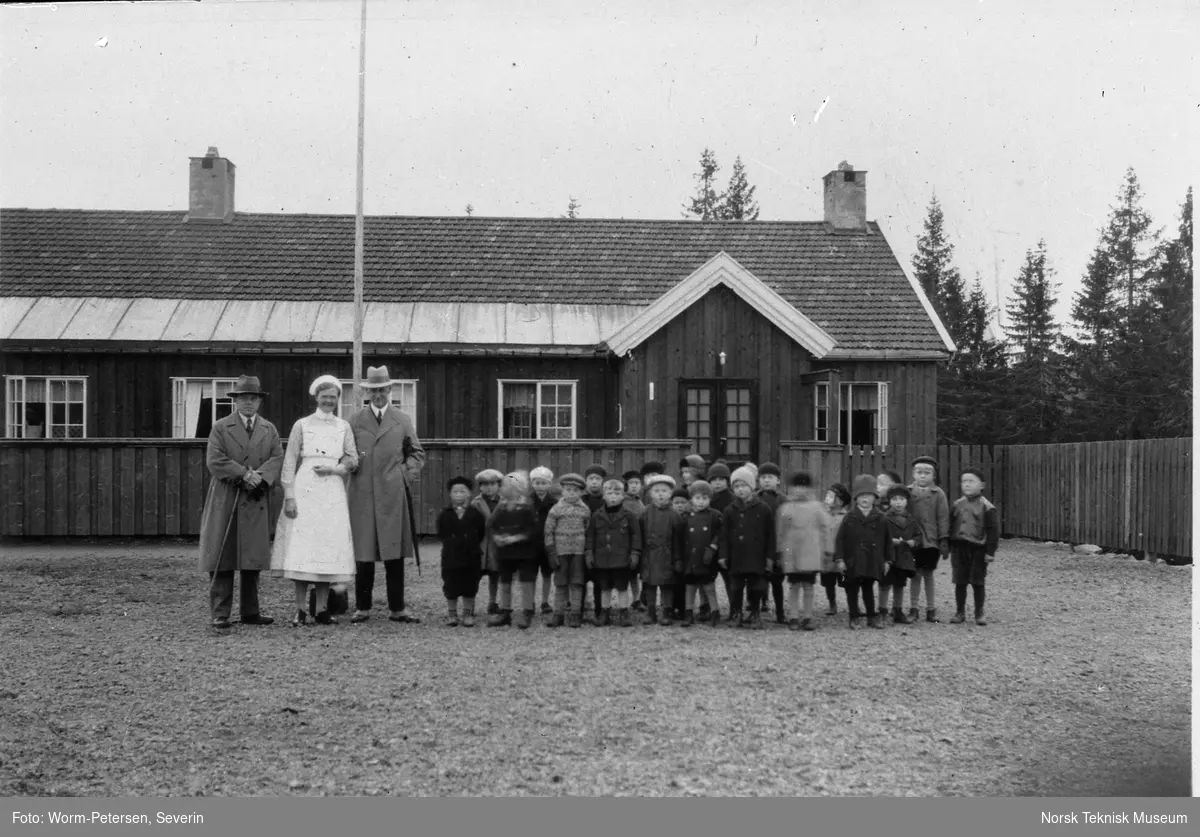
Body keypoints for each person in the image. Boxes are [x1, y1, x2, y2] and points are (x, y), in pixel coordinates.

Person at [197, 374, 283, 630]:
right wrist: (244, 474)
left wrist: (260, 477)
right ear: (236, 401)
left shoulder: (269, 429)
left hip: (255, 498)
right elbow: (215, 460)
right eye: (244, 398)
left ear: (259, 402)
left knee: (252, 555)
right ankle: (220, 612)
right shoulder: (220, 427)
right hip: (227, 497)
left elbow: (277, 457)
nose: (249, 403)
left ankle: (250, 611)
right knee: (223, 553)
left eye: (253, 398)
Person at [270, 375, 357, 627]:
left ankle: (321, 609)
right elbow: (289, 461)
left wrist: (335, 470)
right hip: (306, 487)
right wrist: (289, 496)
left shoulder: (343, 426)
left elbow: (352, 459)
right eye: (324, 396)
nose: (329, 401)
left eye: (333, 397)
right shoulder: (302, 425)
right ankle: (299, 610)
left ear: (338, 399)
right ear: (316, 398)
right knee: (303, 549)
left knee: (326, 548)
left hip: (332, 490)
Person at [347, 366, 426, 625]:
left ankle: (397, 608)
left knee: (394, 550)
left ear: (390, 390)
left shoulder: (402, 419)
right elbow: (344, 452)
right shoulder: (355, 420)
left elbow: (417, 453)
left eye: (382, 389)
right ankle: (362, 607)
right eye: (373, 390)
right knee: (364, 549)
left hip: (393, 493)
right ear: (367, 392)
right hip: (362, 493)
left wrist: (403, 474)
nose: (378, 394)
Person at [718, 466, 776, 629]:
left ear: (751, 486)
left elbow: (770, 535)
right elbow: (724, 535)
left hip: (756, 555)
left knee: (756, 586)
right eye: (736, 486)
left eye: (743, 485)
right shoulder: (730, 510)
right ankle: (736, 612)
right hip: (736, 555)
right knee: (735, 586)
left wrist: (770, 557)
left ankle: (755, 613)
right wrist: (723, 555)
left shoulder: (764, 509)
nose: (740, 490)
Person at [776, 471, 834, 631]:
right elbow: (781, 532)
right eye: (796, 486)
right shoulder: (786, 508)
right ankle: (793, 616)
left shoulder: (817, 508)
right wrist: (780, 552)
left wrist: (828, 551)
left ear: (810, 489)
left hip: (811, 554)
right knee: (794, 586)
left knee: (808, 586)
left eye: (803, 487)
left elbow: (826, 529)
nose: (799, 490)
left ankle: (808, 616)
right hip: (792, 554)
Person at [834, 475, 893, 629]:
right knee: (852, 589)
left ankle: (871, 616)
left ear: (875, 498)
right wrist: (839, 559)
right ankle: (854, 617)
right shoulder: (849, 518)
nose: (865, 499)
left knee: (868, 588)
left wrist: (888, 560)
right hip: (853, 560)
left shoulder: (881, 518)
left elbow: (888, 541)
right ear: (856, 498)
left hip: (872, 560)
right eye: (861, 495)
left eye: (868, 495)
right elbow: (839, 539)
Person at [486, 471, 542, 629]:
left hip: (525, 554)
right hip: (505, 553)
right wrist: (497, 537)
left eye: (506, 486)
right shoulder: (502, 507)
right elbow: (492, 525)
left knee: (526, 582)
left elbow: (533, 531)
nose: (503, 488)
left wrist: (516, 538)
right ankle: (505, 612)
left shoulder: (527, 508)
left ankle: (527, 611)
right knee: (505, 582)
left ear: (517, 488)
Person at [584, 478, 642, 627]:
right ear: (604, 495)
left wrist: (635, 553)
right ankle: (605, 612)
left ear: (623, 496)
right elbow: (590, 535)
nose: (613, 496)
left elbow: (636, 535)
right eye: (609, 493)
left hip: (622, 559)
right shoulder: (597, 515)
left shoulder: (629, 516)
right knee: (605, 587)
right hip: (602, 560)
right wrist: (589, 553)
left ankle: (624, 612)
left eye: (617, 493)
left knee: (622, 587)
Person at [948, 468, 1000, 626]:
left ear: (982, 485)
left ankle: (979, 612)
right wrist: (948, 545)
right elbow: (950, 526)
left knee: (978, 581)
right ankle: (960, 612)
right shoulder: (957, 505)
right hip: (959, 548)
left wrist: (990, 551)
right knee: (960, 581)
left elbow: (993, 531)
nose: (967, 484)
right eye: (964, 481)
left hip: (978, 548)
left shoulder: (987, 507)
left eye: (971, 481)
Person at [436, 476, 488, 627]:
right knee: (451, 583)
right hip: (451, 555)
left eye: (462, 491)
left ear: (469, 494)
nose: (458, 494)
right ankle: (452, 613)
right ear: (450, 494)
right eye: (455, 492)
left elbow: (480, 532)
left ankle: (467, 612)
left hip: (471, 555)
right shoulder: (445, 514)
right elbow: (442, 533)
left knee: (470, 584)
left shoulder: (475, 514)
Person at [543, 473, 592, 628]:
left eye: (575, 490)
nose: (571, 493)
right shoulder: (556, 509)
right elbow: (548, 531)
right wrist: (551, 551)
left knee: (577, 583)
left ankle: (576, 614)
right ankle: (558, 614)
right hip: (560, 552)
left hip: (578, 553)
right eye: (568, 489)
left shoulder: (585, 510)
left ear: (581, 492)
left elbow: (588, 529)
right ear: (562, 491)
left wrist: (586, 551)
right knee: (560, 583)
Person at [908, 456, 950, 623]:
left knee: (929, 575)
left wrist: (944, 539)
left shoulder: (938, 494)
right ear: (913, 474)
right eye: (919, 472)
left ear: (933, 475)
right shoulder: (908, 492)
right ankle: (914, 608)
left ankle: (931, 609)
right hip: (914, 541)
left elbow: (943, 518)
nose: (923, 476)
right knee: (916, 574)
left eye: (927, 473)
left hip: (932, 541)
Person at [640, 473, 685, 626]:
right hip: (650, 555)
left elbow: (679, 540)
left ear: (670, 493)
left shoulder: (674, 515)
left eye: (664, 491)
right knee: (650, 585)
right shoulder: (645, 512)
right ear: (650, 494)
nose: (660, 494)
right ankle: (651, 612)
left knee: (667, 586)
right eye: (656, 491)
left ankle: (666, 611)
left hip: (667, 555)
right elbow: (640, 534)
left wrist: (678, 559)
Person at [681, 480, 722, 627]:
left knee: (709, 586)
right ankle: (688, 614)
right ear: (691, 498)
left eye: (704, 498)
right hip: (690, 559)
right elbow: (682, 538)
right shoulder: (686, 517)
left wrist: (713, 547)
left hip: (706, 558)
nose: (701, 502)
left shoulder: (715, 515)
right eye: (697, 498)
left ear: (710, 499)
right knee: (690, 587)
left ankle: (715, 613)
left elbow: (720, 533)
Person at [880, 485, 920, 625]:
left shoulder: (911, 520)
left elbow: (918, 535)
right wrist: (890, 541)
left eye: (901, 499)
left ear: (906, 501)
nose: (898, 502)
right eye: (894, 499)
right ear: (889, 501)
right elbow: (878, 536)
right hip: (889, 557)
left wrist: (914, 542)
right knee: (885, 584)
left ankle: (897, 610)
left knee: (899, 585)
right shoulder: (884, 518)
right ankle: (882, 611)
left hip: (904, 557)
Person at [756, 463, 786, 623]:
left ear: (778, 480)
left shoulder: (783, 500)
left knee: (777, 581)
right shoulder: (755, 498)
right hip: (760, 545)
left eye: (770, 477)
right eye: (763, 477)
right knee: (759, 579)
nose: (766, 481)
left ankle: (780, 612)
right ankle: (760, 607)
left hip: (777, 544)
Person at [471, 468, 504, 615]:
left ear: (498, 485)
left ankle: (492, 602)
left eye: (492, 484)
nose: (489, 487)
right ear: (480, 486)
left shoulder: (504, 502)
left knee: (495, 574)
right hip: (481, 543)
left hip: (497, 544)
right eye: (485, 484)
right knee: (474, 575)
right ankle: (470, 605)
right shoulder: (475, 503)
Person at [530, 466, 559, 616]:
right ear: (532, 484)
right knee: (531, 575)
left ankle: (545, 601)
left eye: (543, 483)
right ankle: (530, 602)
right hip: (531, 544)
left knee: (547, 574)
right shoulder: (527, 502)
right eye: (537, 483)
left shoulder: (554, 503)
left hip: (547, 543)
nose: (540, 487)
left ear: (549, 485)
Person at [820, 483, 851, 616]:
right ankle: (832, 604)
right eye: (827, 495)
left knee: (846, 581)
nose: (827, 498)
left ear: (840, 501)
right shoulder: (822, 515)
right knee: (828, 582)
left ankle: (852, 604)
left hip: (841, 556)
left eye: (831, 496)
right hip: (826, 555)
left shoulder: (846, 517)